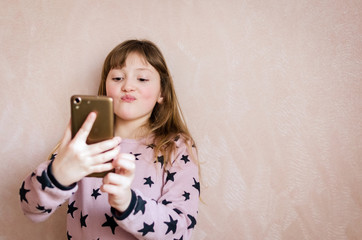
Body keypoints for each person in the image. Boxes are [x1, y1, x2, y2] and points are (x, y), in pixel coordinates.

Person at [19, 39, 200, 239]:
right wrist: (58, 176)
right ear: (105, 87)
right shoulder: (82, 143)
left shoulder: (176, 147)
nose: (128, 86)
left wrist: (128, 203)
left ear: (162, 93)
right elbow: (31, 209)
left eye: (141, 79)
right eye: (117, 78)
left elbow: (181, 231)